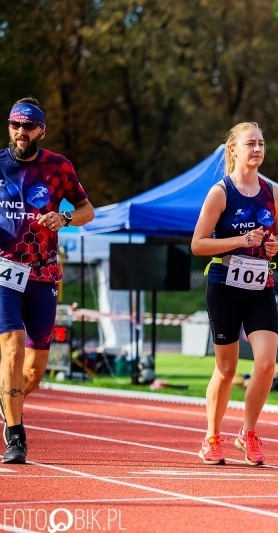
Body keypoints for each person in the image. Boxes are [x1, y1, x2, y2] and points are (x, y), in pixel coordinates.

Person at [0, 96, 95, 464]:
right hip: (4, 271)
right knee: (11, 343)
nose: (21, 132)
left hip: (42, 272)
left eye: (28, 125)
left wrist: (64, 219)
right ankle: (16, 436)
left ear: (42, 129)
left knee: (34, 369)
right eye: (14, 125)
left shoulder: (58, 167)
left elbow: (87, 210)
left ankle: (8, 402)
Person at [191, 122, 278, 466]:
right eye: (251, 143)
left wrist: (276, 244)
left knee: (266, 363)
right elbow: (198, 244)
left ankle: (248, 433)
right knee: (227, 368)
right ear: (233, 150)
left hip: (261, 284)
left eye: (261, 143)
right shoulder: (221, 192)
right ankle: (211, 436)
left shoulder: (273, 193)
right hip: (224, 284)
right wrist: (240, 241)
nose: (258, 149)